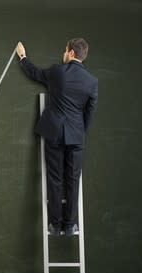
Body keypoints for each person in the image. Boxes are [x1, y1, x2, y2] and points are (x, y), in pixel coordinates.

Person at [16, 38, 98, 236]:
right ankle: (70, 225)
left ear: (70, 53)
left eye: (65, 50)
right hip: (76, 136)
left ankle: (55, 224)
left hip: (54, 134)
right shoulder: (92, 81)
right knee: (73, 180)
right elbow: (90, 112)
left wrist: (22, 57)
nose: (64, 53)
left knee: (55, 179)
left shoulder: (57, 72)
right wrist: (79, 132)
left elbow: (34, 73)